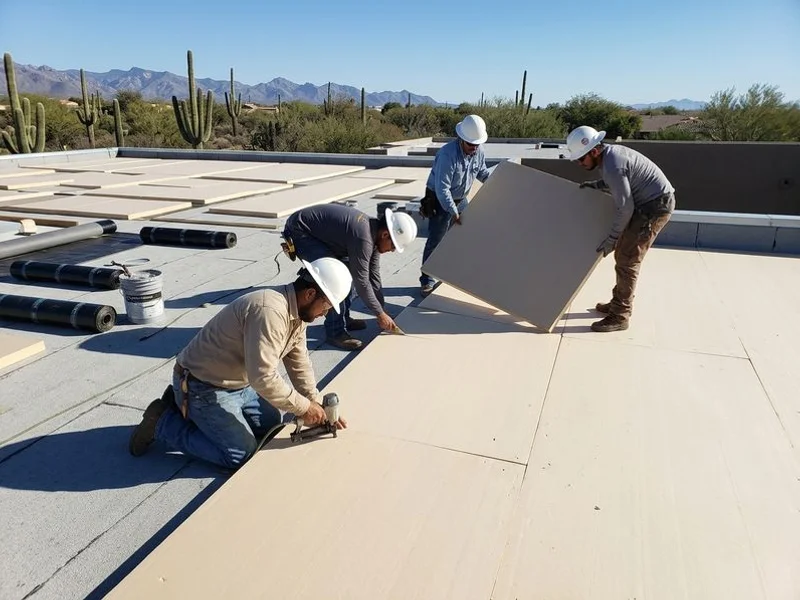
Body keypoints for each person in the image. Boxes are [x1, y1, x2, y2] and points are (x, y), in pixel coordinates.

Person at [128, 257, 353, 469]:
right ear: (310, 293)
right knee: (241, 454)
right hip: (203, 386)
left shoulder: (297, 314)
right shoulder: (270, 312)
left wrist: (313, 401)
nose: (326, 313)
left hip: (239, 384)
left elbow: (298, 360)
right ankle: (163, 422)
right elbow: (263, 377)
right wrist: (304, 408)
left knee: (270, 425)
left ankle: (190, 412)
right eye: (326, 305)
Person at [567, 125, 676, 332]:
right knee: (624, 257)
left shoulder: (613, 164)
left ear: (594, 151)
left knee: (627, 260)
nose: (579, 163)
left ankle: (620, 315)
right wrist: (598, 185)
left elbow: (625, 207)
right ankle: (617, 304)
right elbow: (621, 182)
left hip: (654, 207)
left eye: (581, 158)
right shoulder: (610, 158)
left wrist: (612, 239)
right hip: (650, 202)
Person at [282, 203, 418, 351]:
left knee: (350, 274)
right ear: (385, 235)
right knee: (334, 279)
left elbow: (373, 275)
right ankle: (335, 331)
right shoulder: (364, 238)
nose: (392, 251)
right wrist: (380, 314)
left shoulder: (373, 234)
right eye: (393, 247)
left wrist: (381, 309)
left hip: (314, 232)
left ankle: (343, 319)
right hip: (300, 231)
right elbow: (362, 282)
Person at [419, 114, 493, 296]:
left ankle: (450, 276)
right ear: (461, 139)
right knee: (436, 240)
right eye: (470, 144)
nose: (474, 148)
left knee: (462, 238)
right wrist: (453, 212)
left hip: (461, 199)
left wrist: (497, 184)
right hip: (439, 199)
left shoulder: (479, 151)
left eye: (476, 144)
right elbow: (442, 188)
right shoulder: (447, 154)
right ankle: (427, 280)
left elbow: (482, 173)